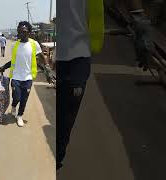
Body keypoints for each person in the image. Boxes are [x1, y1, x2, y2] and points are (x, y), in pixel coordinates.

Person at [57, 0, 104, 172]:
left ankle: (58, 157)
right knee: (63, 117)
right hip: (70, 57)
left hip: (76, 58)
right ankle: (57, 156)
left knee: (65, 117)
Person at [0, 21, 52, 127]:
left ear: (29, 32)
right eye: (19, 31)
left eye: (23, 31)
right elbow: (13, 61)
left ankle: (20, 116)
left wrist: (47, 69)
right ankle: (14, 106)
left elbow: (42, 56)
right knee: (17, 97)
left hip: (28, 77)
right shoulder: (15, 45)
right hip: (16, 77)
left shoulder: (34, 44)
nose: (21, 33)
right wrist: (3, 67)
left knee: (24, 99)